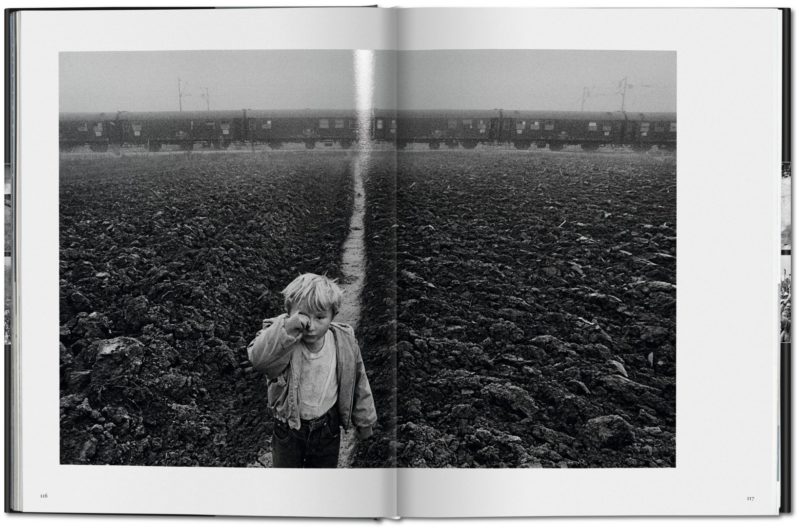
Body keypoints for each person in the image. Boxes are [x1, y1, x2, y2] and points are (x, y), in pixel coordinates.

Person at [247, 273, 377, 468]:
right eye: (303, 316)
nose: (311, 326)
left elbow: (359, 380)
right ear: (288, 312)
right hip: (289, 430)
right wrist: (289, 329)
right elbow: (258, 359)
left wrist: (365, 420)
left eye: (320, 317)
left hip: (327, 429)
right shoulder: (281, 338)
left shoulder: (344, 342)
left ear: (333, 315)